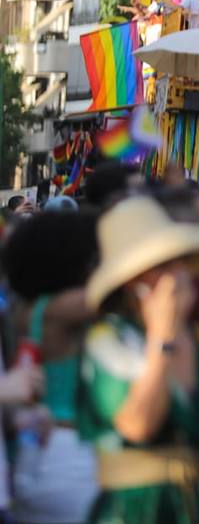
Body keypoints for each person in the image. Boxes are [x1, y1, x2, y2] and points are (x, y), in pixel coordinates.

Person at [77, 196, 199, 523]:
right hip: (135, 510)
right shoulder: (110, 340)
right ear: (133, 283)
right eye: (162, 267)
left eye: (179, 263)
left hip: (197, 506)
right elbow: (137, 425)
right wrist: (161, 339)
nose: (178, 276)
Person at [3, 209, 101, 523]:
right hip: (68, 453)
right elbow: (113, 289)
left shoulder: (27, 310)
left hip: (38, 449)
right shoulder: (61, 309)